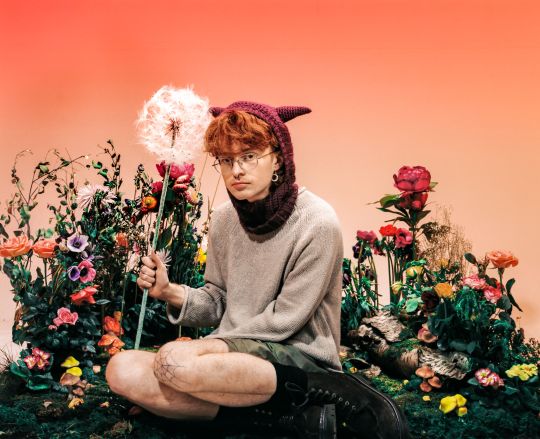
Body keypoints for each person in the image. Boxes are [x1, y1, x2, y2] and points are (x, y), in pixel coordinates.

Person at [106, 101, 409, 439]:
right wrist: (168, 292)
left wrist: (210, 348)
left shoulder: (317, 221)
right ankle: (292, 420)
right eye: (226, 160)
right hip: (235, 353)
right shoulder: (224, 220)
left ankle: (330, 387)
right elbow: (218, 300)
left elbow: (286, 319)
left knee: (173, 363)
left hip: (297, 356)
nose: (236, 170)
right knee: (122, 369)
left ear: (278, 158)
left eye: (249, 156)